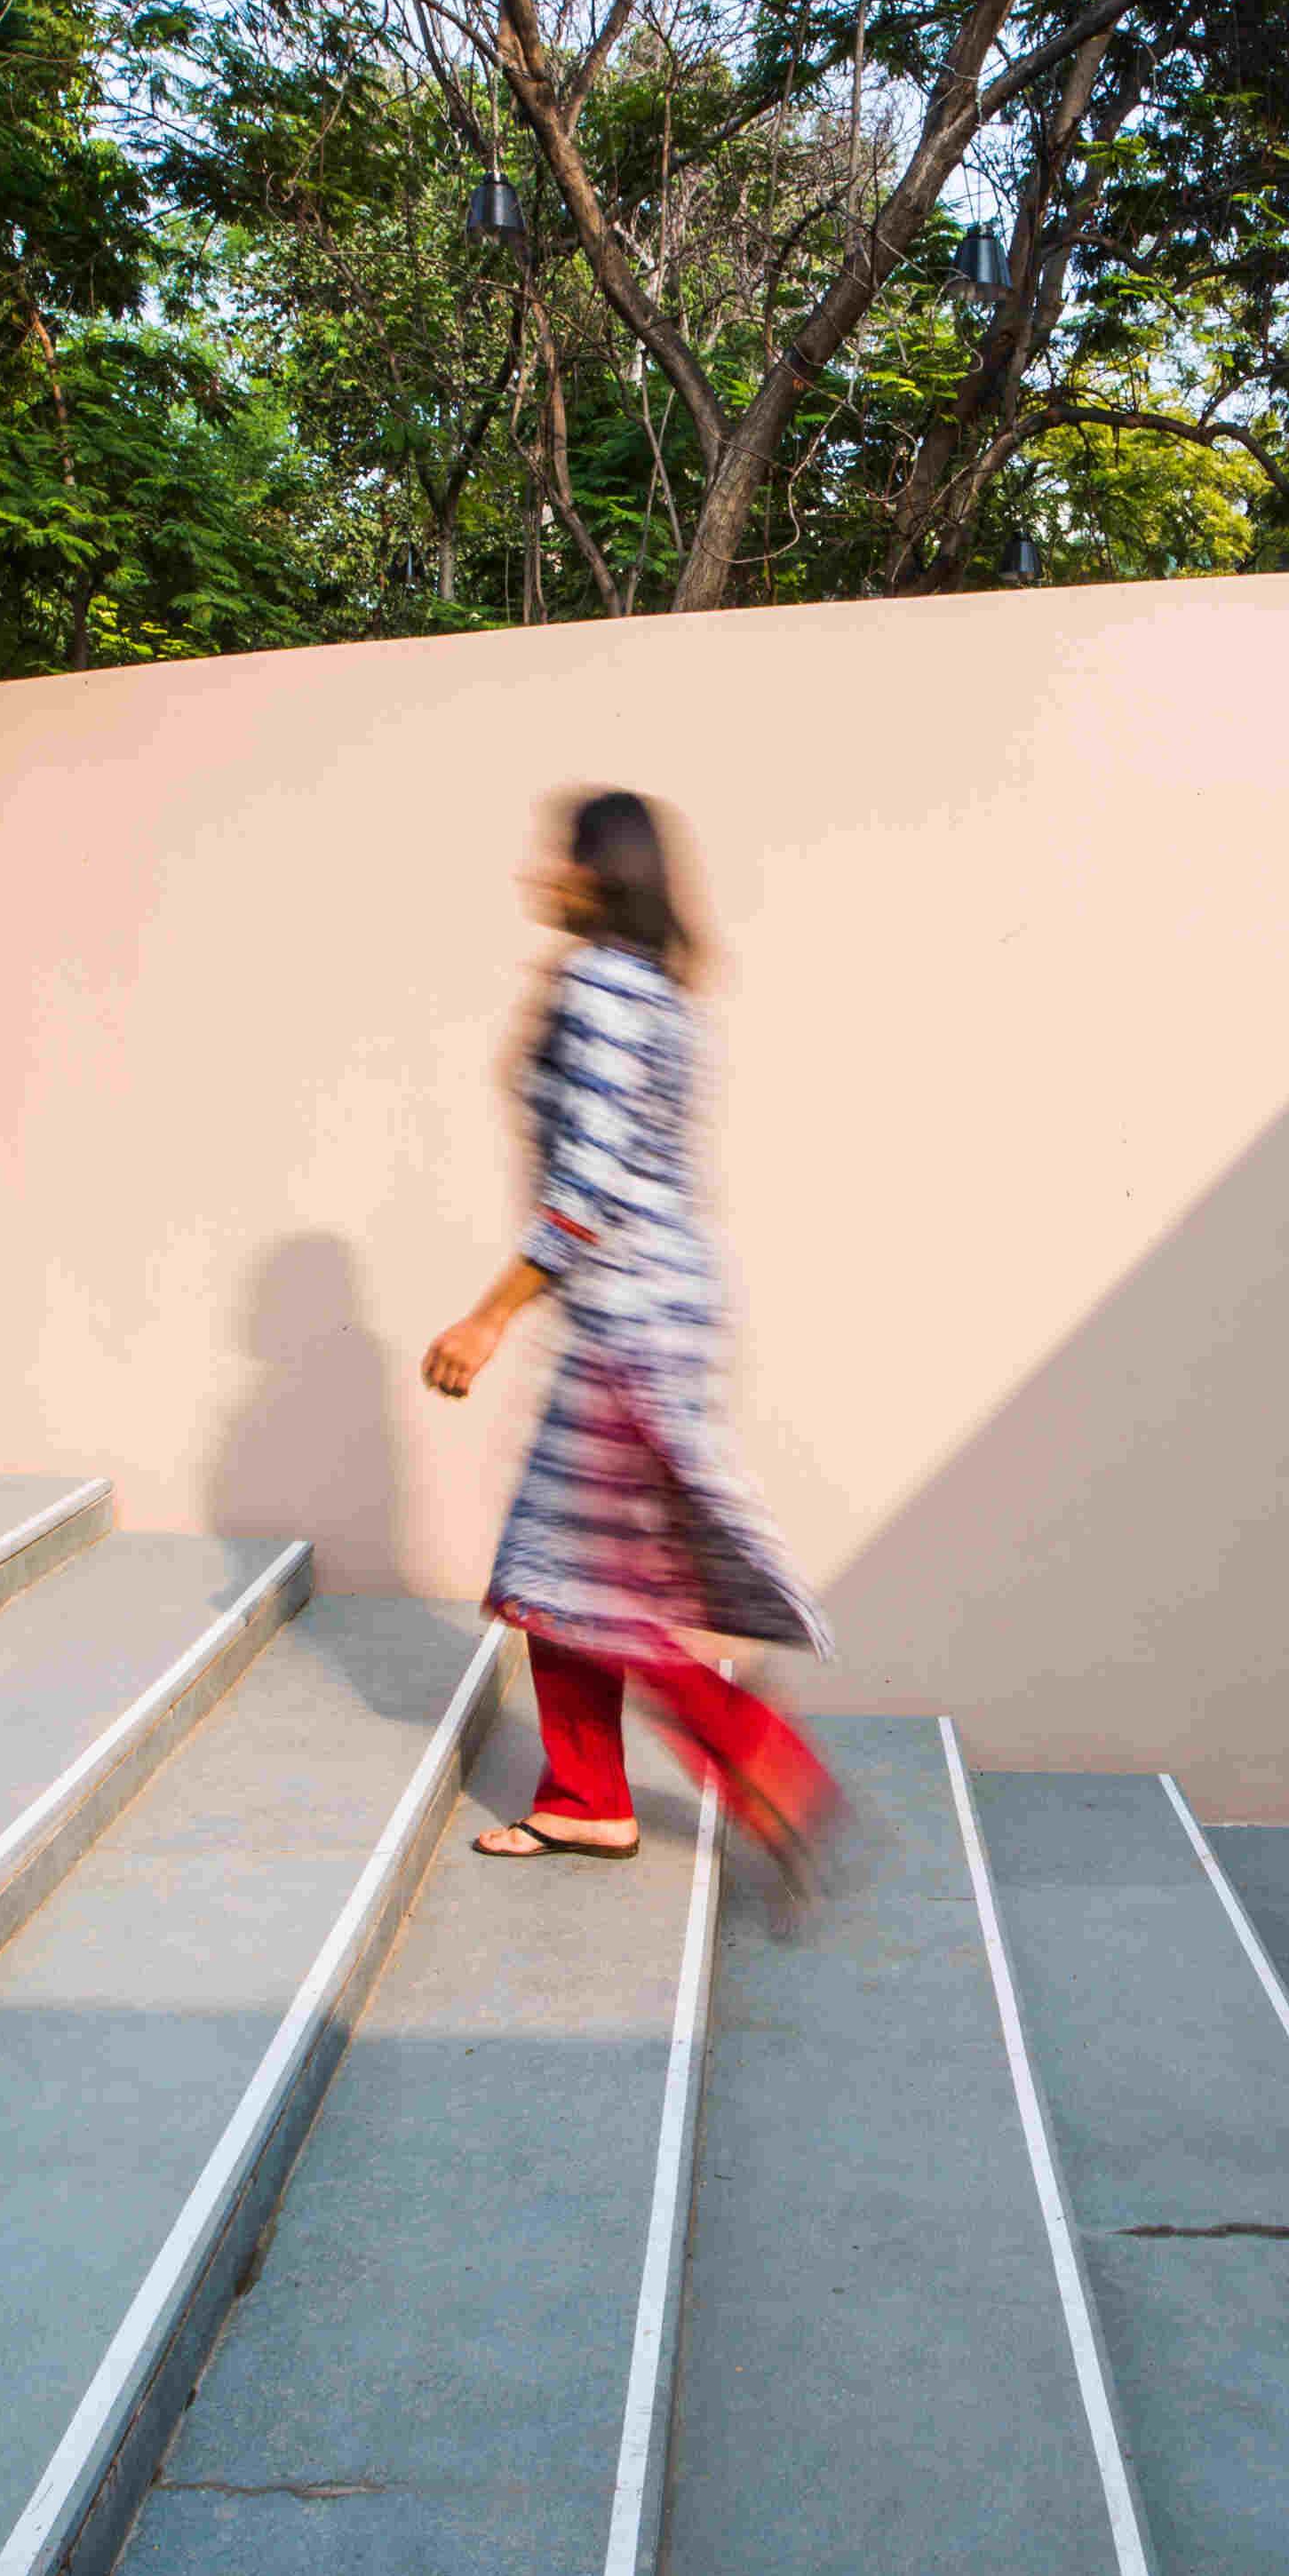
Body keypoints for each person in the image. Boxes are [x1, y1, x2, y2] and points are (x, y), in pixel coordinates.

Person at [421, 790, 836, 1885]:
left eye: (557, 857)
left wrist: (488, 1316)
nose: (539, 874)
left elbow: (589, 1184)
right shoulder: (656, 989)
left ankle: (763, 1759)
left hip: (631, 1321)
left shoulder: (603, 988)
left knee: (583, 1572)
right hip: (657, 1309)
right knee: (560, 1564)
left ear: (597, 873)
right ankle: (589, 1801)